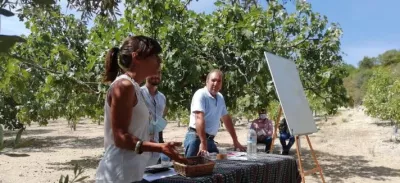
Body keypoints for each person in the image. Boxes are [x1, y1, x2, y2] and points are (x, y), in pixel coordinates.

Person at [95, 35, 187, 183]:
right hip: (119, 174)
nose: (159, 60)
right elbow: (120, 138)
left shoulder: (133, 87)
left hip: (129, 173)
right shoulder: (124, 86)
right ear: (136, 57)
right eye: (154, 55)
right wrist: (160, 147)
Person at [183, 69, 245, 157]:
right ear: (207, 81)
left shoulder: (220, 97)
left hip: (210, 141)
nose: (216, 83)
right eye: (213, 80)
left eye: (219, 81)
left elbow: (226, 119)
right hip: (196, 139)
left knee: (217, 167)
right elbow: (199, 118)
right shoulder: (200, 94)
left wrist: (235, 140)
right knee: (191, 167)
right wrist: (203, 143)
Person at [140, 69, 168, 166]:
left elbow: (160, 118)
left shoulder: (162, 97)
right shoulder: (139, 93)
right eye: (152, 72)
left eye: (159, 73)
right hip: (140, 146)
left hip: (156, 147)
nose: (156, 75)